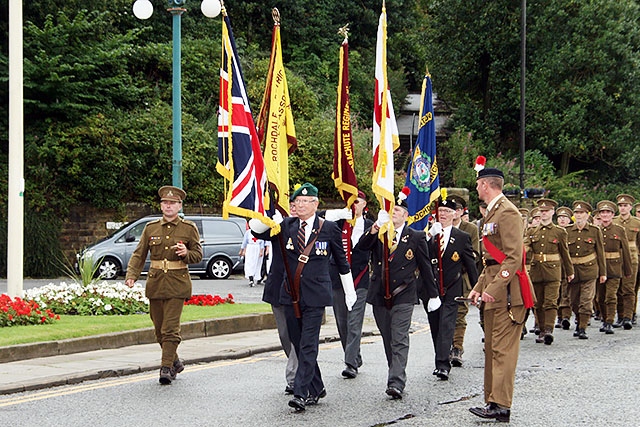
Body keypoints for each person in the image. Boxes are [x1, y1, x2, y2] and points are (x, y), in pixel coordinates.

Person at [250, 182, 355, 412]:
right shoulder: (286, 226)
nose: (300, 205)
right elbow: (257, 231)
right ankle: (316, 387)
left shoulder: (329, 228)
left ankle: (300, 392)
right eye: (297, 201)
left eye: (306, 201)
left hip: (316, 296)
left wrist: (349, 290)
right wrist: (263, 210)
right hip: (290, 294)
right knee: (297, 343)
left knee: (308, 344)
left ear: (316, 204)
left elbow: (341, 260)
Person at [468, 167, 534, 423]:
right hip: (496, 289)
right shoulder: (492, 213)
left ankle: (502, 406)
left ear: (486, 185)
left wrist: (493, 290)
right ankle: (493, 401)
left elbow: (514, 258)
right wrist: (478, 288)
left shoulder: (507, 212)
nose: (476, 189)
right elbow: (490, 262)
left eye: (477, 185)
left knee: (503, 352)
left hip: (509, 295)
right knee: (493, 349)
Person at [359, 191, 438, 400]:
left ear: (406, 215)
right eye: (392, 209)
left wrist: (433, 294)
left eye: (398, 210)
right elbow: (360, 249)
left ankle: (396, 381)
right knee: (388, 337)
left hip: (403, 293)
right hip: (379, 294)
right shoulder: (380, 233)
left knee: (399, 338)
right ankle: (394, 370)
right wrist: (375, 228)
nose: (394, 213)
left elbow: (425, 267)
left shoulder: (416, 237)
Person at [125, 186, 203, 385]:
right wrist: (131, 275)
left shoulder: (188, 228)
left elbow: (198, 255)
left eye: (172, 203)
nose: (168, 206)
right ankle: (175, 360)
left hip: (178, 283)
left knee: (170, 329)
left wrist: (186, 253)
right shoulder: (151, 228)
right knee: (159, 330)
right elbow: (139, 254)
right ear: (161, 205)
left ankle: (166, 368)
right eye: (165, 203)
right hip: (156, 283)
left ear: (179, 206)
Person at [424, 197, 478, 380]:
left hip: (452, 288)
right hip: (431, 289)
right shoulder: (428, 235)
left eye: (447, 212)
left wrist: (475, 287)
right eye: (440, 212)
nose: (443, 215)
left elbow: (470, 264)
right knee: (435, 327)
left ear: (455, 214)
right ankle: (441, 356)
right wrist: (429, 236)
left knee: (447, 326)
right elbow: (419, 255)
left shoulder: (462, 237)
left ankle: (442, 365)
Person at [326, 190, 373, 379]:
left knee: (354, 323)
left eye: (358, 201)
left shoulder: (371, 226)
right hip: (338, 278)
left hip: (359, 279)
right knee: (342, 322)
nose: (355, 205)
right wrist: (337, 215)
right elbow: (321, 221)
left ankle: (350, 364)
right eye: (351, 202)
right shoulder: (338, 223)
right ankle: (355, 355)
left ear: (364, 205)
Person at [261, 200, 299, 395]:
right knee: (285, 334)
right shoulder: (279, 227)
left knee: (298, 335)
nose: (294, 208)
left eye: (298, 204)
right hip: (278, 289)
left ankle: (295, 376)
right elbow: (258, 231)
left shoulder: (313, 228)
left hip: (302, 292)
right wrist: (265, 217)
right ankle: (300, 366)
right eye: (291, 205)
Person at [524, 198, 574, 345]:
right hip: (536, 271)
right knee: (538, 303)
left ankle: (548, 330)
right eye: (542, 211)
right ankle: (540, 327)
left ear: (552, 212)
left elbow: (565, 253)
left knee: (551, 302)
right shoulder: (532, 231)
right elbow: (525, 248)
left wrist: (569, 271)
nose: (544, 214)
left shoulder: (559, 232)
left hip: (553, 271)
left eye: (546, 211)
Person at [565, 201, 606, 339]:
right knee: (573, 301)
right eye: (576, 213)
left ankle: (582, 327)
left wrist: (603, 273)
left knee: (586, 300)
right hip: (573, 271)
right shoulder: (568, 231)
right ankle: (578, 319)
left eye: (581, 213)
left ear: (587, 215)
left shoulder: (594, 231)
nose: (579, 215)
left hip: (589, 270)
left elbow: (600, 252)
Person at [448, 194, 480, 367]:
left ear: (460, 212)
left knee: (460, 313)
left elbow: (475, 254)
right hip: (444, 279)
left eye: (454, 210)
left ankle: (457, 348)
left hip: (462, 277)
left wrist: (457, 263)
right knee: (445, 315)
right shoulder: (440, 227)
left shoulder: (471, 229)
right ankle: (445, 346)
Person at [595, 200, 632, 334]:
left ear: (612, 215)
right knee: (600, 297)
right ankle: (605, 319)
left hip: (615, 267)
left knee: (611, 296)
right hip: (599, 268)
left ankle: (610, 321)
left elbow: (626, 251)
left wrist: (628, 270)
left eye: (608, 212)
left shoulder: (619, 230)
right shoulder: (595, 230)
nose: (605, 215)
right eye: (602, 212)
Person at [612, 194, 640, 329]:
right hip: (616, 259)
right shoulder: (614, 222)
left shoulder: (637, 223)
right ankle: (620, 315)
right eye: (621, 206)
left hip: (633, 259)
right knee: (617, 289)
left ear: (630, 207)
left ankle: (629, 316)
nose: (623, 208)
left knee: (629, 288)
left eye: (625, 206)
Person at [554, 206, 574, 329]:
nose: (562, 220)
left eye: (565, 218)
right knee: (557, 293)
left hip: (567, 265)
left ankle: (566, 316)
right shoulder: (554, 231)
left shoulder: (572, 232)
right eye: (560, 217)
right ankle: (559, 317)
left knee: (566, 292)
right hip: (555, 266)